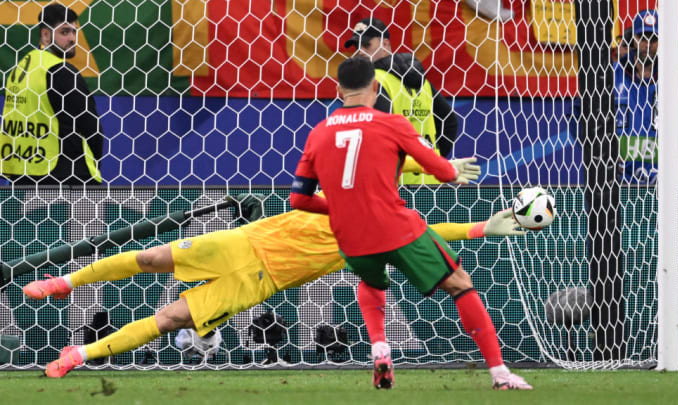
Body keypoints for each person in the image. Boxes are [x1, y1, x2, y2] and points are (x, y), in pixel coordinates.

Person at [24, 201, 524, 378]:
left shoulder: (374, 231)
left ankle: (79, 354)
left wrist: (483, 227)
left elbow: (431, 231)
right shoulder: (331, 193)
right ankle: (65, 282)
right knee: (153, 257)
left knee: (172, 318)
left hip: (258, 281)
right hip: (240, 243)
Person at [290, 57, 532, 390]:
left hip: (351, 237)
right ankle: (501, 374)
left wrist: (341, 208)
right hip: (395, 226)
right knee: (460, 283)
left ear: (338, 90)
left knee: (372, 281)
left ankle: (380, 348)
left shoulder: (317, 134)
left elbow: (298, 200)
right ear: (375, 88)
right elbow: (444, 172)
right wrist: (447, 167)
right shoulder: (391, 123)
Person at [344, 17, 458, 185]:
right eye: (356, 46)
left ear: (385, 43)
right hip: (431, 183)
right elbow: (450, 121)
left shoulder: (376, 81)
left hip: (395, 186)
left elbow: (379, 136)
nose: (360, 51)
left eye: (366, 44)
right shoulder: (422, 81)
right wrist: (433, 162)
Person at [0, 3, 103, 185]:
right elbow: (91, 126)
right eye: (64, 32)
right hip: (63, 177)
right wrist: (94, 165)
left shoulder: (22, 66)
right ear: (46, 35)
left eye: (74, 31)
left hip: (23, 173)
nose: (72, 38)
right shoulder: (61, 71)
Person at [614, 9, 678, 184]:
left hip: (666, 186)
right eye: (642, 38)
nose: (647, 45)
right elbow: (579, 114)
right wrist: (599, 153)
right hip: (619, 185)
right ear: (633, 38)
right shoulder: (611, 75)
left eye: (653, 39)